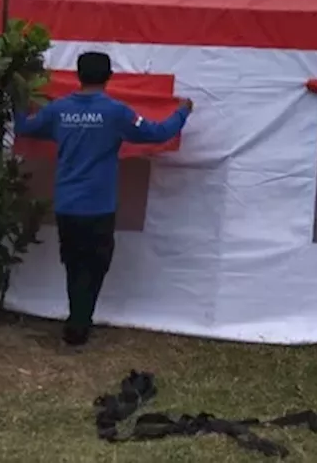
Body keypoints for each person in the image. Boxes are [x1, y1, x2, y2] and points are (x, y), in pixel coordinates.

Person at [14, 50, 193, 347]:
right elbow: (157, 132)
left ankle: (77, 322)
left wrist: (18, 96)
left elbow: (24, 127)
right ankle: (79, 325)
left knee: (74, 264)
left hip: (67, 204)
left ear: (78, 76)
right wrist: (183, 111)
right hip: (98, 206)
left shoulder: (59, 109)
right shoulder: (115, 112)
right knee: (95, 264)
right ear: (109, 76)